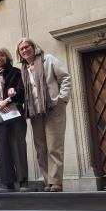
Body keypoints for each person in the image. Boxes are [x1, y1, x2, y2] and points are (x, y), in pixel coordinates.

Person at [16, 38, 72, 192]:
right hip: (35, 112)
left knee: (54, 145)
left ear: (34, 47)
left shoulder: (48, 60)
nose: (25, 50)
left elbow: (65, 77)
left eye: (27, 47)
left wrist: (62, 99)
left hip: (53, 107)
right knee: (41, 148)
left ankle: (56, 182)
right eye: (22, 49)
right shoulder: (23, 69)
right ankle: (48, 180)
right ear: (19, 53)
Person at [0, 48, 29, 192]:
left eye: (2, 55)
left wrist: (8, 100)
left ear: (7, 57)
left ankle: (23, 182)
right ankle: (7, 182)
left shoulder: (16, 72)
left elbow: (21, 91)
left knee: (18, 145)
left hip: (14, 113)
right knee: (2, 147)